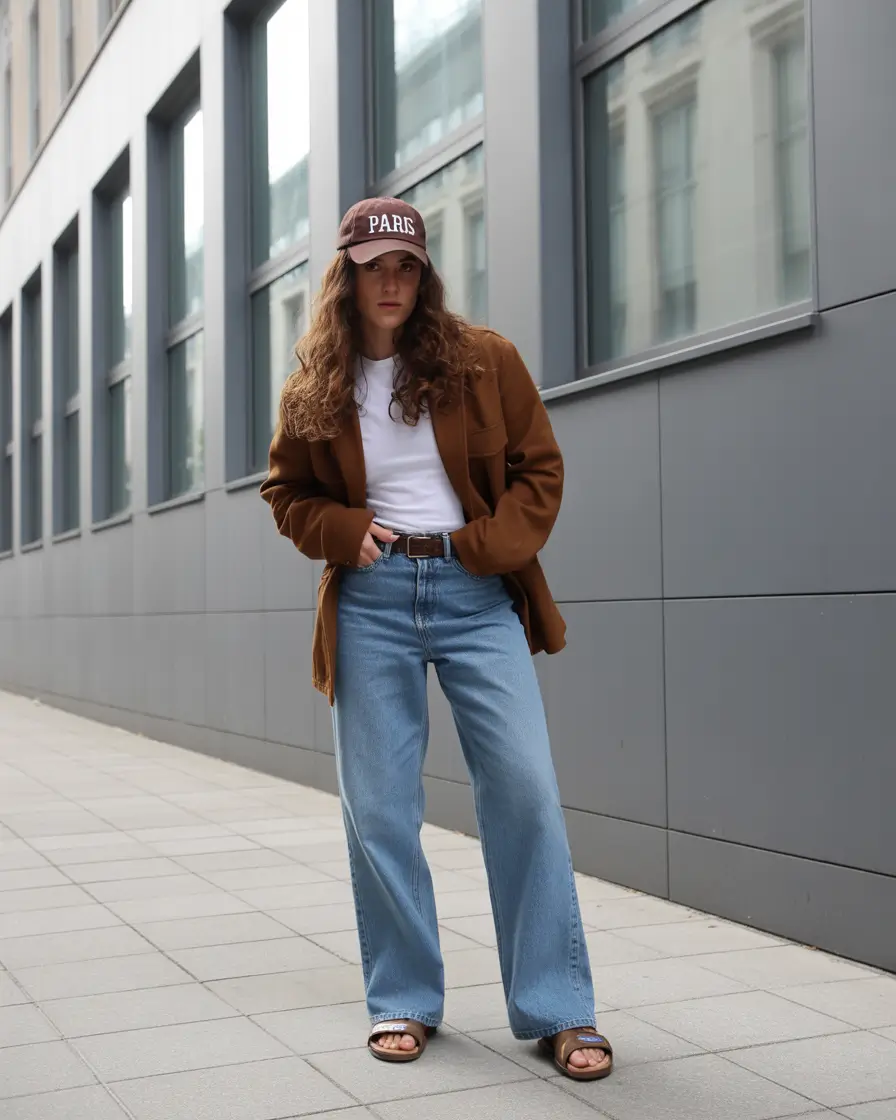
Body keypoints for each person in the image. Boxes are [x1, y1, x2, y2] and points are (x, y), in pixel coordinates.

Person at [260, 197, 613, 1081]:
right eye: (375, 265)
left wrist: (484, 547)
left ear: (425, 275)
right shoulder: (316, 381)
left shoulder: (484, 361)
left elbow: (541, 467)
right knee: (379, 809)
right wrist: (344, 532)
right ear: (346, 272)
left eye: (406, 266)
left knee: (525, 789)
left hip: (476, 594)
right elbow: (285, 493)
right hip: (371, 600)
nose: (391, 282)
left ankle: (559, 1008)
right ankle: (405, 999)